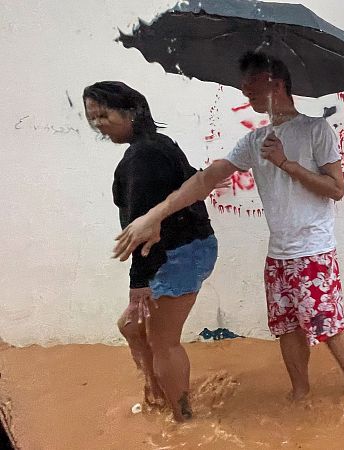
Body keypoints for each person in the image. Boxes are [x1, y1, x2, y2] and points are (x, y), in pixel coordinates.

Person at [112, 51, 344, 401]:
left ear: (276, 82)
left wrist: (285, 163)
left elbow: (336, 189)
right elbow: (207, 179)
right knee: (287, 328)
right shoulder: (254, 140)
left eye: (251, 80)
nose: (244, 88)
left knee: (327, 325)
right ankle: (300, 393)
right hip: (279, 254)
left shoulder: (315, 129)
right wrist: (155, 215)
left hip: (315, 250)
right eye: (243, 81)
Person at [83, 81, 217, 421]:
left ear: (131, 111)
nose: (98, 124)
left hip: (177, 254)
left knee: (164, 342)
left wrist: (138, 284)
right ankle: (157, 389)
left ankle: (182, 418)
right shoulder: (157, 145)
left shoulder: (143, 156)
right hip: (190, 248)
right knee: (130, 327)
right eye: (92, 117)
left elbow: (143, 232)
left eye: (104, 114)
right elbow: (190, 183)